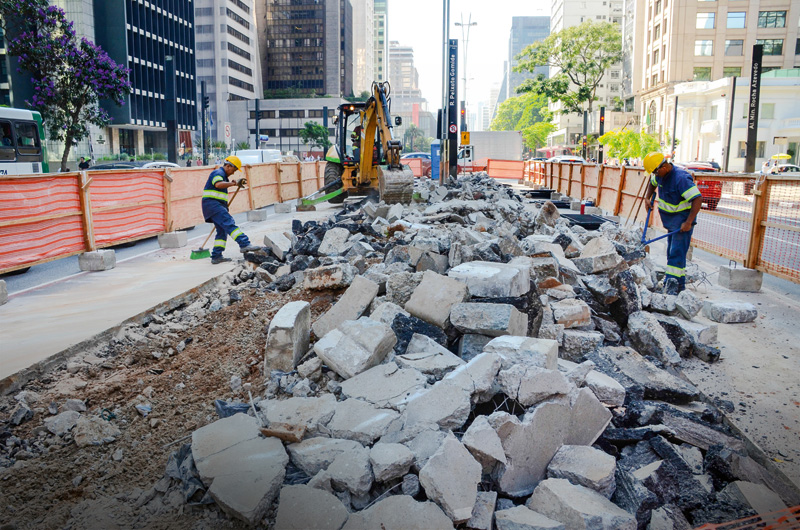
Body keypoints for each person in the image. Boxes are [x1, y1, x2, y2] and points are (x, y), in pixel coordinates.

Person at [643, 152, 702, 295]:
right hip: (671, 222)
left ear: (664, 167)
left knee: (676, 253)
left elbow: (697, 199)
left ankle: (670, 289)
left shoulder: (680, 179)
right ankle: (679, 286)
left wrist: (688, 222)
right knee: (674, 252)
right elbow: (652, 182)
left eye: (656, 171)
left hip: (682, 223)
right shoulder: (660, 176)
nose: (655, 175)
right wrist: (647, 197)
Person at [201, 155, 261, 264]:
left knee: (222, 231)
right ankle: (244, 244)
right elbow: (218, 184)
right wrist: (233, 183)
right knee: (229, 223)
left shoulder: (223, 176)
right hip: (213, 206)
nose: (233, 173)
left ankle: (216, 256)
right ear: (228, 166)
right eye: (233, 170)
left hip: (214, 206)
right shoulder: (218, 173)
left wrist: (231, 183)